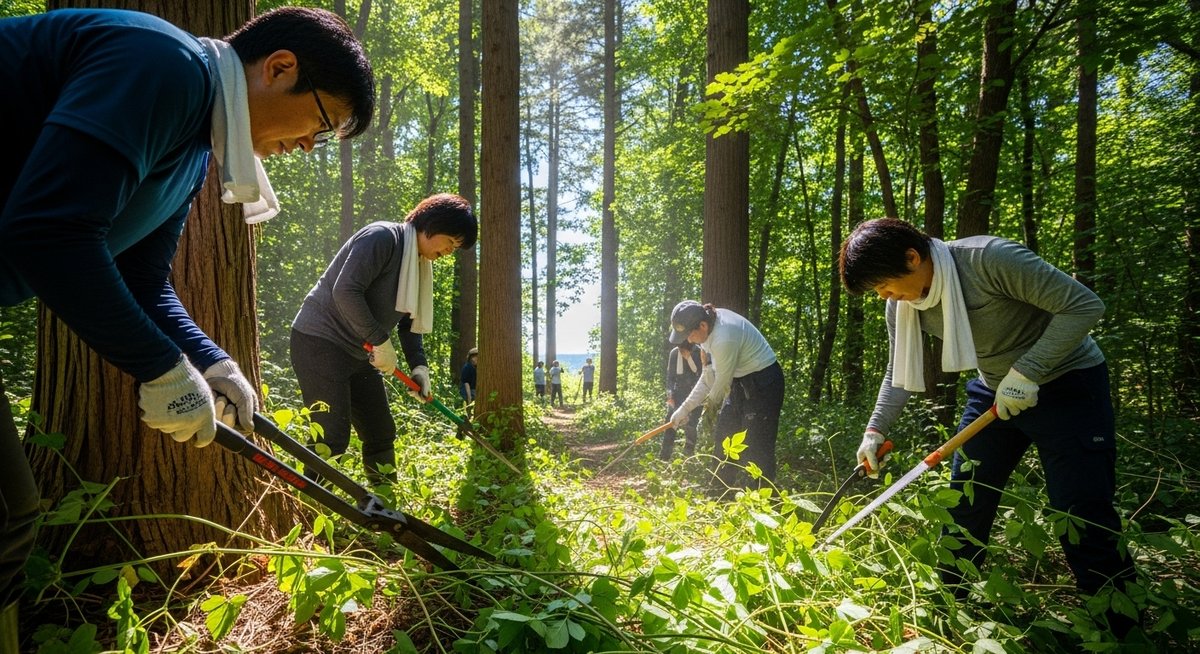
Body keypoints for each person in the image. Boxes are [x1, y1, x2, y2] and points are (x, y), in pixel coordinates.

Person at [0, 6, 374, 649]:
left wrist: (209, 361)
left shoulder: (194, 152)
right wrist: (158, 368)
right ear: (279, 68)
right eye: (320, 123)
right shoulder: (164, 66)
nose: (308, 147)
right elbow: (49, 230)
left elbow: (143, 279)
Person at [839, 218, 1138, 636]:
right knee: (963, 500)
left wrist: (1030, 369)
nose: (885, 297)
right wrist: (874, 430)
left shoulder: (989, 260)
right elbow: (897, 372)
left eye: (885, 286)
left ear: (912, 257)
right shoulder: (901, 306)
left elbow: (1084, 305)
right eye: (878, 292)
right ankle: (948, 614)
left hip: (1069, 385)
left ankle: (1119, 629)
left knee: (1080, 509)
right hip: (994, 393)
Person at [290, 194, 476, 485]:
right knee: (331, 437)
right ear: (432, 225)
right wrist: (379, 340)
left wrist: (419, 367)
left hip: (358, 353)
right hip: (320, 342)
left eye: (455, 248)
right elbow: (345, 291)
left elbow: (407, 324)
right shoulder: (382, 238)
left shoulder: (415, 267)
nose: (449, 252)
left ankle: (386, 512)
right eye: (450, 243)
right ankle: (307, 509)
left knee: (380, 432)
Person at [667, 301, 784, 491]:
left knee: (756, 445)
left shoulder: (724, 337)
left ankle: (765, 498)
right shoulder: (706, 331)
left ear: (702, 326)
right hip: (739, 382)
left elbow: (720, 385)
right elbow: (708, 379)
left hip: (765, 383)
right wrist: (683, 410)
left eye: (689, 334)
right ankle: (720, 491)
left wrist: (708, 411)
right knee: (724, 435)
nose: (688, 340)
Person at [660, 343, 703, 460]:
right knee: (670, 421)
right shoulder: (674, 353)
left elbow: (702, 375)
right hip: (678, 393)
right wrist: (670, 397)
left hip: (695, 393)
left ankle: (688, 457)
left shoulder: (698, 352)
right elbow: (670, 378)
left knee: (691, 424)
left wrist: (689, 358)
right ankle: (664, 457)